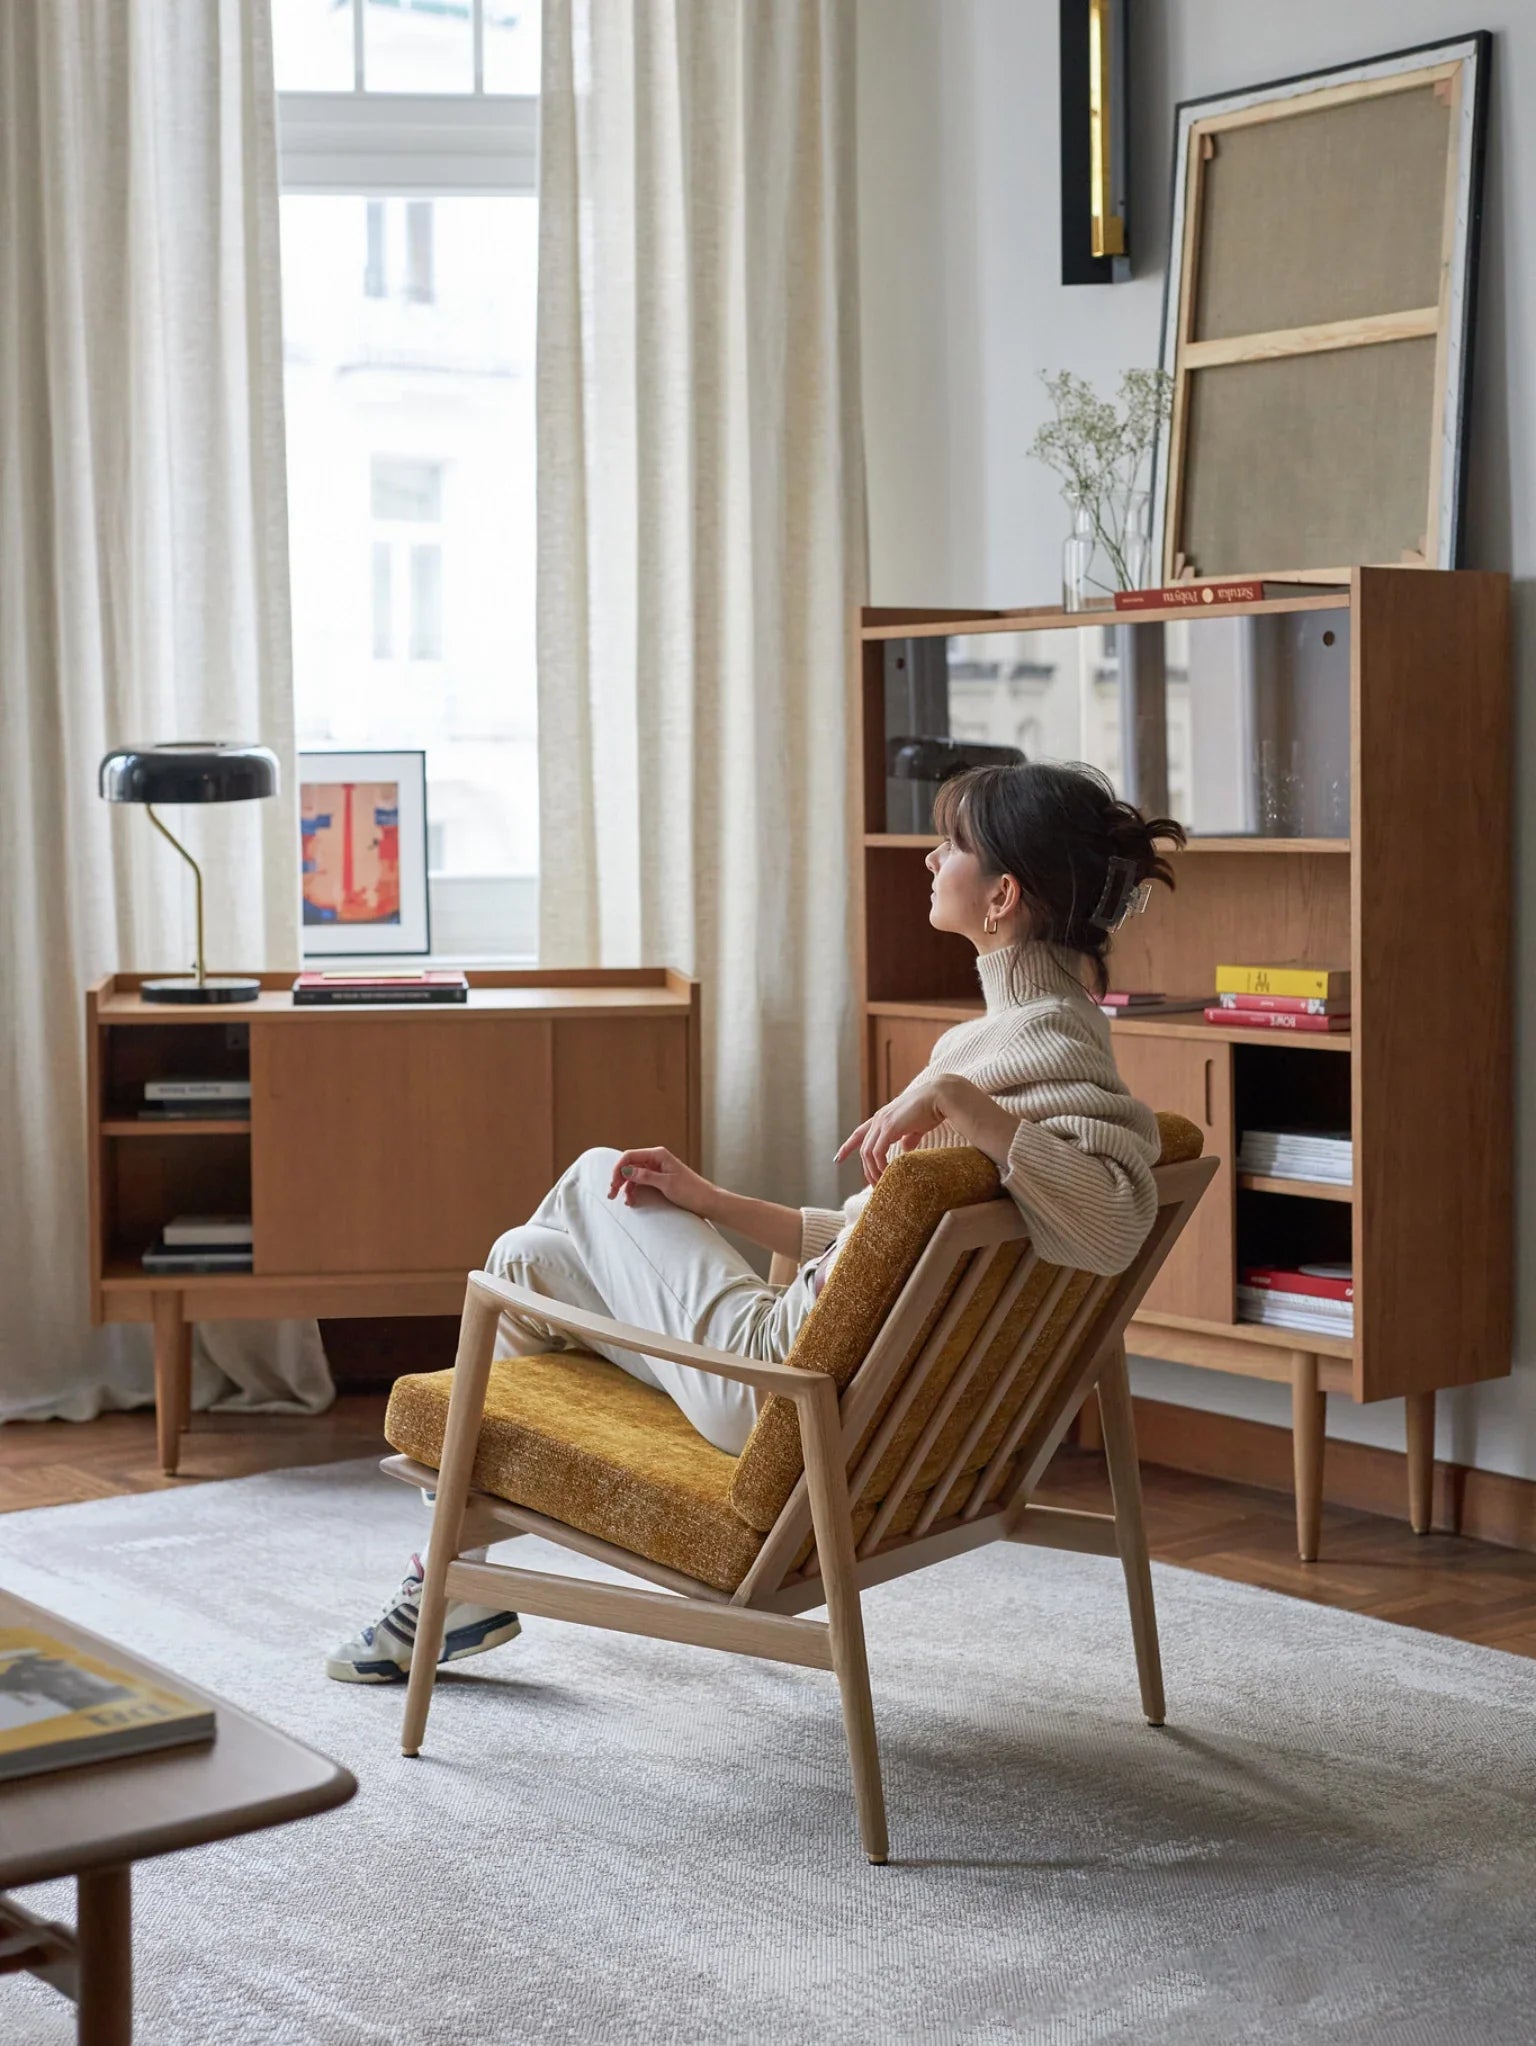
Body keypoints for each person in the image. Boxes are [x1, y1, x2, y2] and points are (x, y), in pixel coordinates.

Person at [324, 761, 1184, 1681]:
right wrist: (709, 1201)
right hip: (822, 1374)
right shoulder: (1044, 1036)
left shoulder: (1024, 1049)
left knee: (588, 1178)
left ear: (1003, 896)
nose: (931, 860)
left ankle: (451, 1582)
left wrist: (951, 1095)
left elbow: (1109, 1224)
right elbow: (875, 1251)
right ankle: (452, 1582)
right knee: (523, 1262)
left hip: (778, 1390)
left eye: (954, 845)